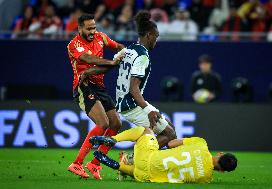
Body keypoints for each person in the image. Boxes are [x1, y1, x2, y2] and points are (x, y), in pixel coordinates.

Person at [80, 10, 176, 149]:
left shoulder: (128, 49)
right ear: (149, 35)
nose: (156, 40)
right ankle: (132, 160)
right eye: (156, 36)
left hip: (126, 102)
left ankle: (138, 155)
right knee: (169, 134)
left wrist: (89, 72)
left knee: (170, 127)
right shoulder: (142, 57)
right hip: (132, 105)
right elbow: (133, 88)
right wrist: (148, 110)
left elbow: (109, 66)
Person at [66, 14, 125, 180]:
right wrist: (113, 62)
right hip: (83, 86)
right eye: (89, 28)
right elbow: (88, 58)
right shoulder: (74, 44)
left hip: (100, 86)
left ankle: (94, 163)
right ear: (80, 28)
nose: (93, 31)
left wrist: (123, 51)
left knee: (116, 123)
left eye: (94, 27)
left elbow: (118, 46)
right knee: (103, 122)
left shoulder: (101, 37)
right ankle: (77, 163)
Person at [90, 126, 238, 183]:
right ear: (223, 171)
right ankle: (118, 166)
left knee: (145, 131)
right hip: (145, 177)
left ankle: (113, 139)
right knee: (145, 171)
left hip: (148, 158)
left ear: (220, 154)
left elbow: (170, 144)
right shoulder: (205, 179)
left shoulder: (201, 143)